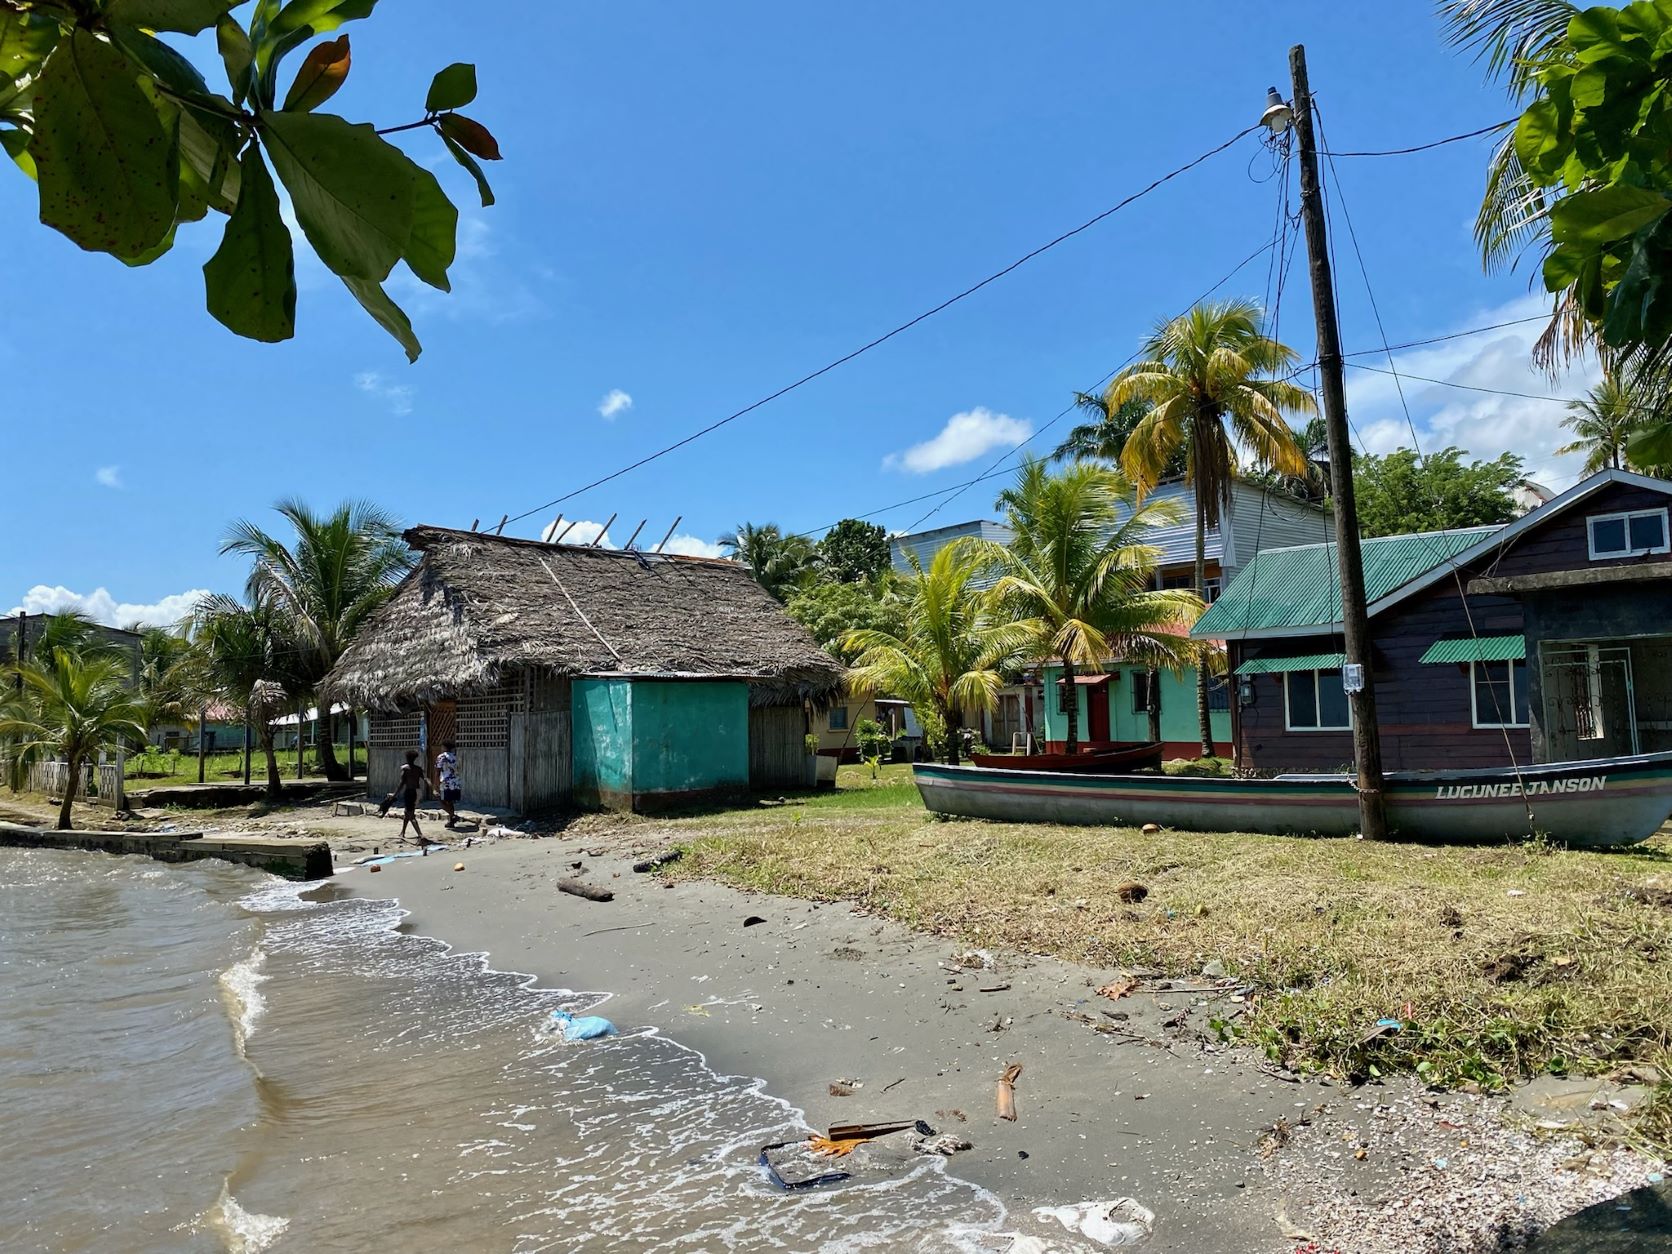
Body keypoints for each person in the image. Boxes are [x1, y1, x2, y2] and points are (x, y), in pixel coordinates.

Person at [382, 748, 430, 845]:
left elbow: (401, 783)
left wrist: (394, 794)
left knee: (411, 814)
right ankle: (402, 832)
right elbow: (426, 779)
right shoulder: (418, 769)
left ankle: (421, 835)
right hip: (417, 792)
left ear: (407, 758)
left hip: (409, 792)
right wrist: (433, 788)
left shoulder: (406, 769)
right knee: (407, 813)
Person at [436, 740, 461, 828]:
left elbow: (438, 770)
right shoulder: (455, 756)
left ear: (444, 747)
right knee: (450, 802)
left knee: (441, 800)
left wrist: (436, 783)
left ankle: (453, 816)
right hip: (455, 782)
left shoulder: (441, 756)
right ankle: (451, 821)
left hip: (446, 782)